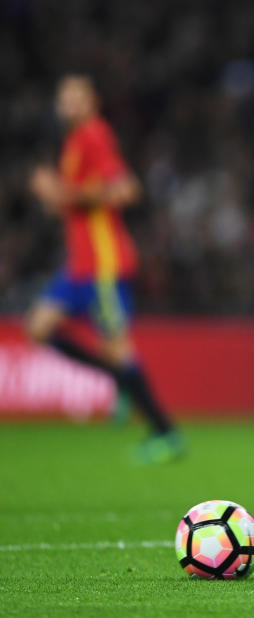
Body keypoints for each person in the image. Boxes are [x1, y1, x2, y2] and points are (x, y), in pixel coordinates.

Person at [25, 74, 184, 464]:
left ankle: (166, 432)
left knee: (118, 350)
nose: (69, 105)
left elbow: (126, 188)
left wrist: (61, 192)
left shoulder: (95, 134)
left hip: (103, 264)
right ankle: (119, 380)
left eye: (77, 98)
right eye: (64, 99)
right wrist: (57, 196)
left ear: (92, 101)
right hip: (78, 265)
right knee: (38, 327)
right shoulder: (73, 142)